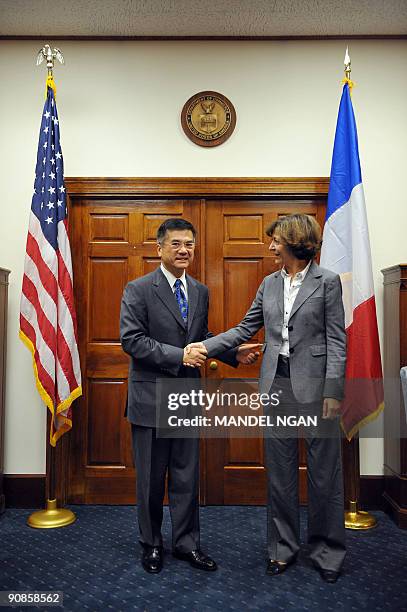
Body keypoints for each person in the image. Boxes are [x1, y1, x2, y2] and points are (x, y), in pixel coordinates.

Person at [189, 213, 347, 583]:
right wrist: (205, 347)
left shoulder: (328, 282)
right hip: (277, 385)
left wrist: (333, 390)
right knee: (280, 474)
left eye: (275, 240)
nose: (271, 246)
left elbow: (337, 340)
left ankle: (327, 553)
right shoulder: (269, 283)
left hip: (317, 388)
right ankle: (282, 549)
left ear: (294, 241)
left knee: (324, 474)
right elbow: (246, 327)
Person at [120, 218, 258, 574]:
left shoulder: (199, 290)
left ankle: (186, 544)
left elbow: (201, 334)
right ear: (160, 248)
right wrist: (178, 355)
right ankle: (151, 544)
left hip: (186, 399)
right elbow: (131, 340)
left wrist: (232, 353)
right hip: (151, 398)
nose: (184, 251)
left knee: (185, 477)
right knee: (151, 480)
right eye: (177, 244)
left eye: (189, 245)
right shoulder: (137, 289)